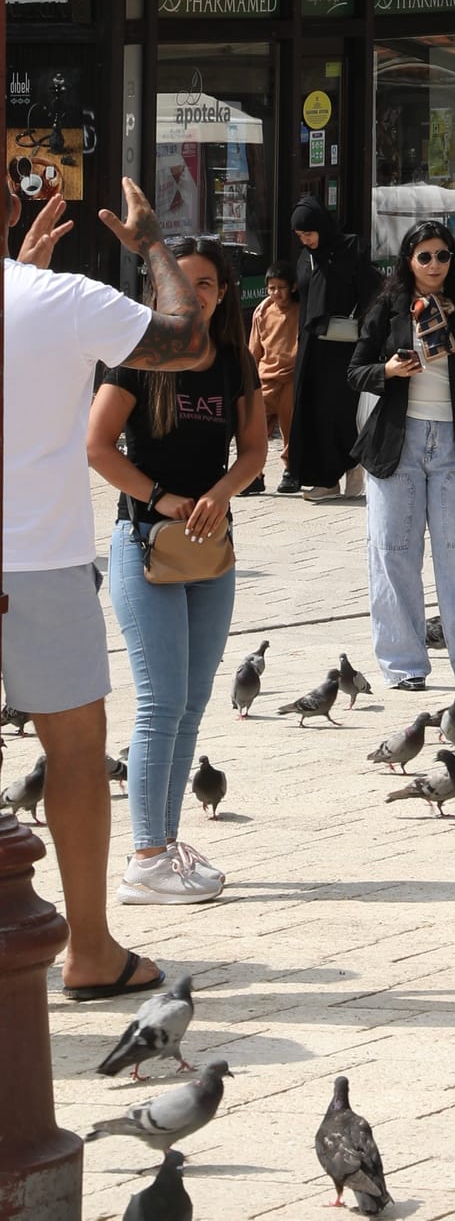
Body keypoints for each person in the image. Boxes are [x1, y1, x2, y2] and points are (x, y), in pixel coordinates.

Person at [3, 160, 198, 1001]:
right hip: (39, 558)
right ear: (10, 205)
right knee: (76, 753)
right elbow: (186, 337)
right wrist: (153, 242)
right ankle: (88, 948)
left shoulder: (44, 296)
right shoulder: (59, 299)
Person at [88, 236, 266, 906]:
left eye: (208, 285)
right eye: (181, 283)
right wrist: (161, 496)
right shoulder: (137, 357)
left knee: (192, 702)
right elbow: (96, 446)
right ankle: (144, 856)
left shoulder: (232, 361)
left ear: (222, 295)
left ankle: (164, 844)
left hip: (211, 549)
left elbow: (252, 450)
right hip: (144, 544)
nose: (193, 295)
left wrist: (222, 491)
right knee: (160, 702)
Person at [350, 221, 455, 691]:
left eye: (443, 256)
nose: (435, 265)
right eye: (425, 257)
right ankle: (404, 664)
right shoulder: (388, 308)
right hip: (398, 443)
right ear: (408, 262)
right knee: (393, 553)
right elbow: (355, 371)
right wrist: (388, 370)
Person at [286, 197, 374, 497]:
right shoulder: (306, 258)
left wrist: (369, 336)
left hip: (345, 346)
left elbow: (370, 292)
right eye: (300, 236)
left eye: (309, 233)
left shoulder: (351, 249)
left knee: (341, 411)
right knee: (314, 411)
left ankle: (353, 469)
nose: (306, 240)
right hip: (312, 347)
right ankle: (325, 479)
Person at [246, 269, 299, 484]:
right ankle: (253, 475)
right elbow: (254, 348)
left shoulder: (301, 310)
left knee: (291, 429)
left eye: (281, 288)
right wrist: (249, 376)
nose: (276, 293)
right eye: (271, 288)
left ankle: (291, 471)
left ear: (293, 287)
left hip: (291, 378)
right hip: (265, 377)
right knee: (254, 430)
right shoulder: (262, 311)